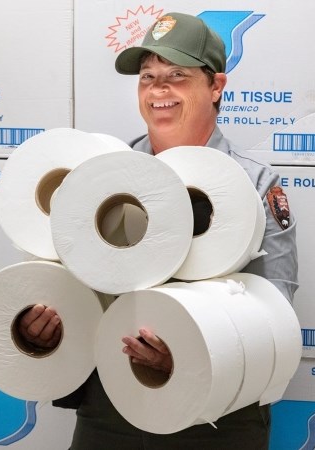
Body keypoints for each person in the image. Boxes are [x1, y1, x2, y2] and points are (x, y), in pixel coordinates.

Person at [17, 12, 298, 449]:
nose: (158, 89)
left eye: (177, 76)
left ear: (216, 86)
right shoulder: (100, 177)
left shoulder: (252, 185)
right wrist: (48, 327)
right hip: (112, 402)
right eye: (147, 77)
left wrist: (194, 349)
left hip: (217, 412)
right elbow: (70, 280)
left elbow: (275, 306)